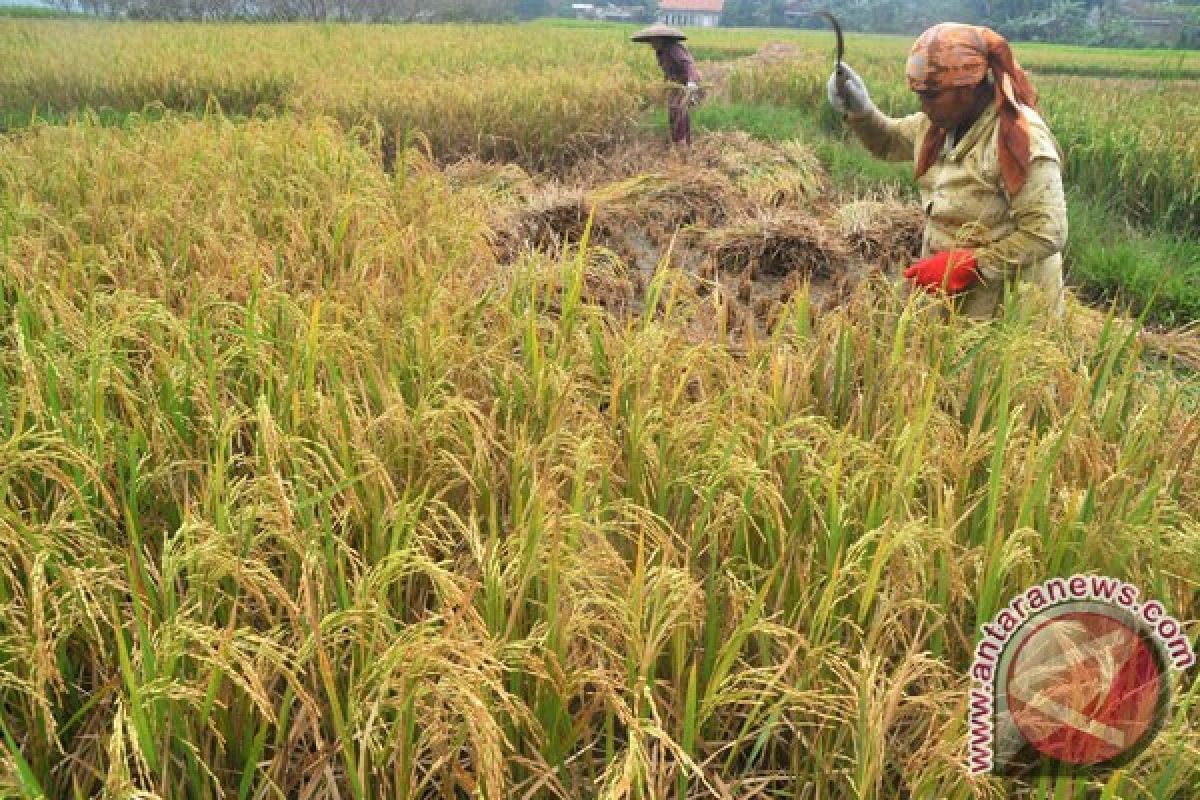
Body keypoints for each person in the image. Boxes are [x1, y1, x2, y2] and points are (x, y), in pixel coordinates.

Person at [827, 23, 1068, 319]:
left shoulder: (1019, 140)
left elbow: (1046, 233)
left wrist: (972, 264)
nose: (923, 105)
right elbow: (888, 141)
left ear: (968, 88)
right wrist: (861, 111)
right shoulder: (935, 127)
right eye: (919, 95)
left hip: (1009, 311)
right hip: (951, 297)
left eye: (931, 95)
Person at [632, 24, 702, 147]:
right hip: (675, 85)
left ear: (662, 39)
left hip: (686, 84)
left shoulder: (674, 49)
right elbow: (668, 71)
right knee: (674, 111)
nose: (652, 44)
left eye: (654, 41)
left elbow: (688, 65)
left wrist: (691, 83)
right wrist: (665, 86)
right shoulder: (660, 52)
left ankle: (682, 143)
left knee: (679, 110)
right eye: (651, 41)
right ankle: (678, 141)